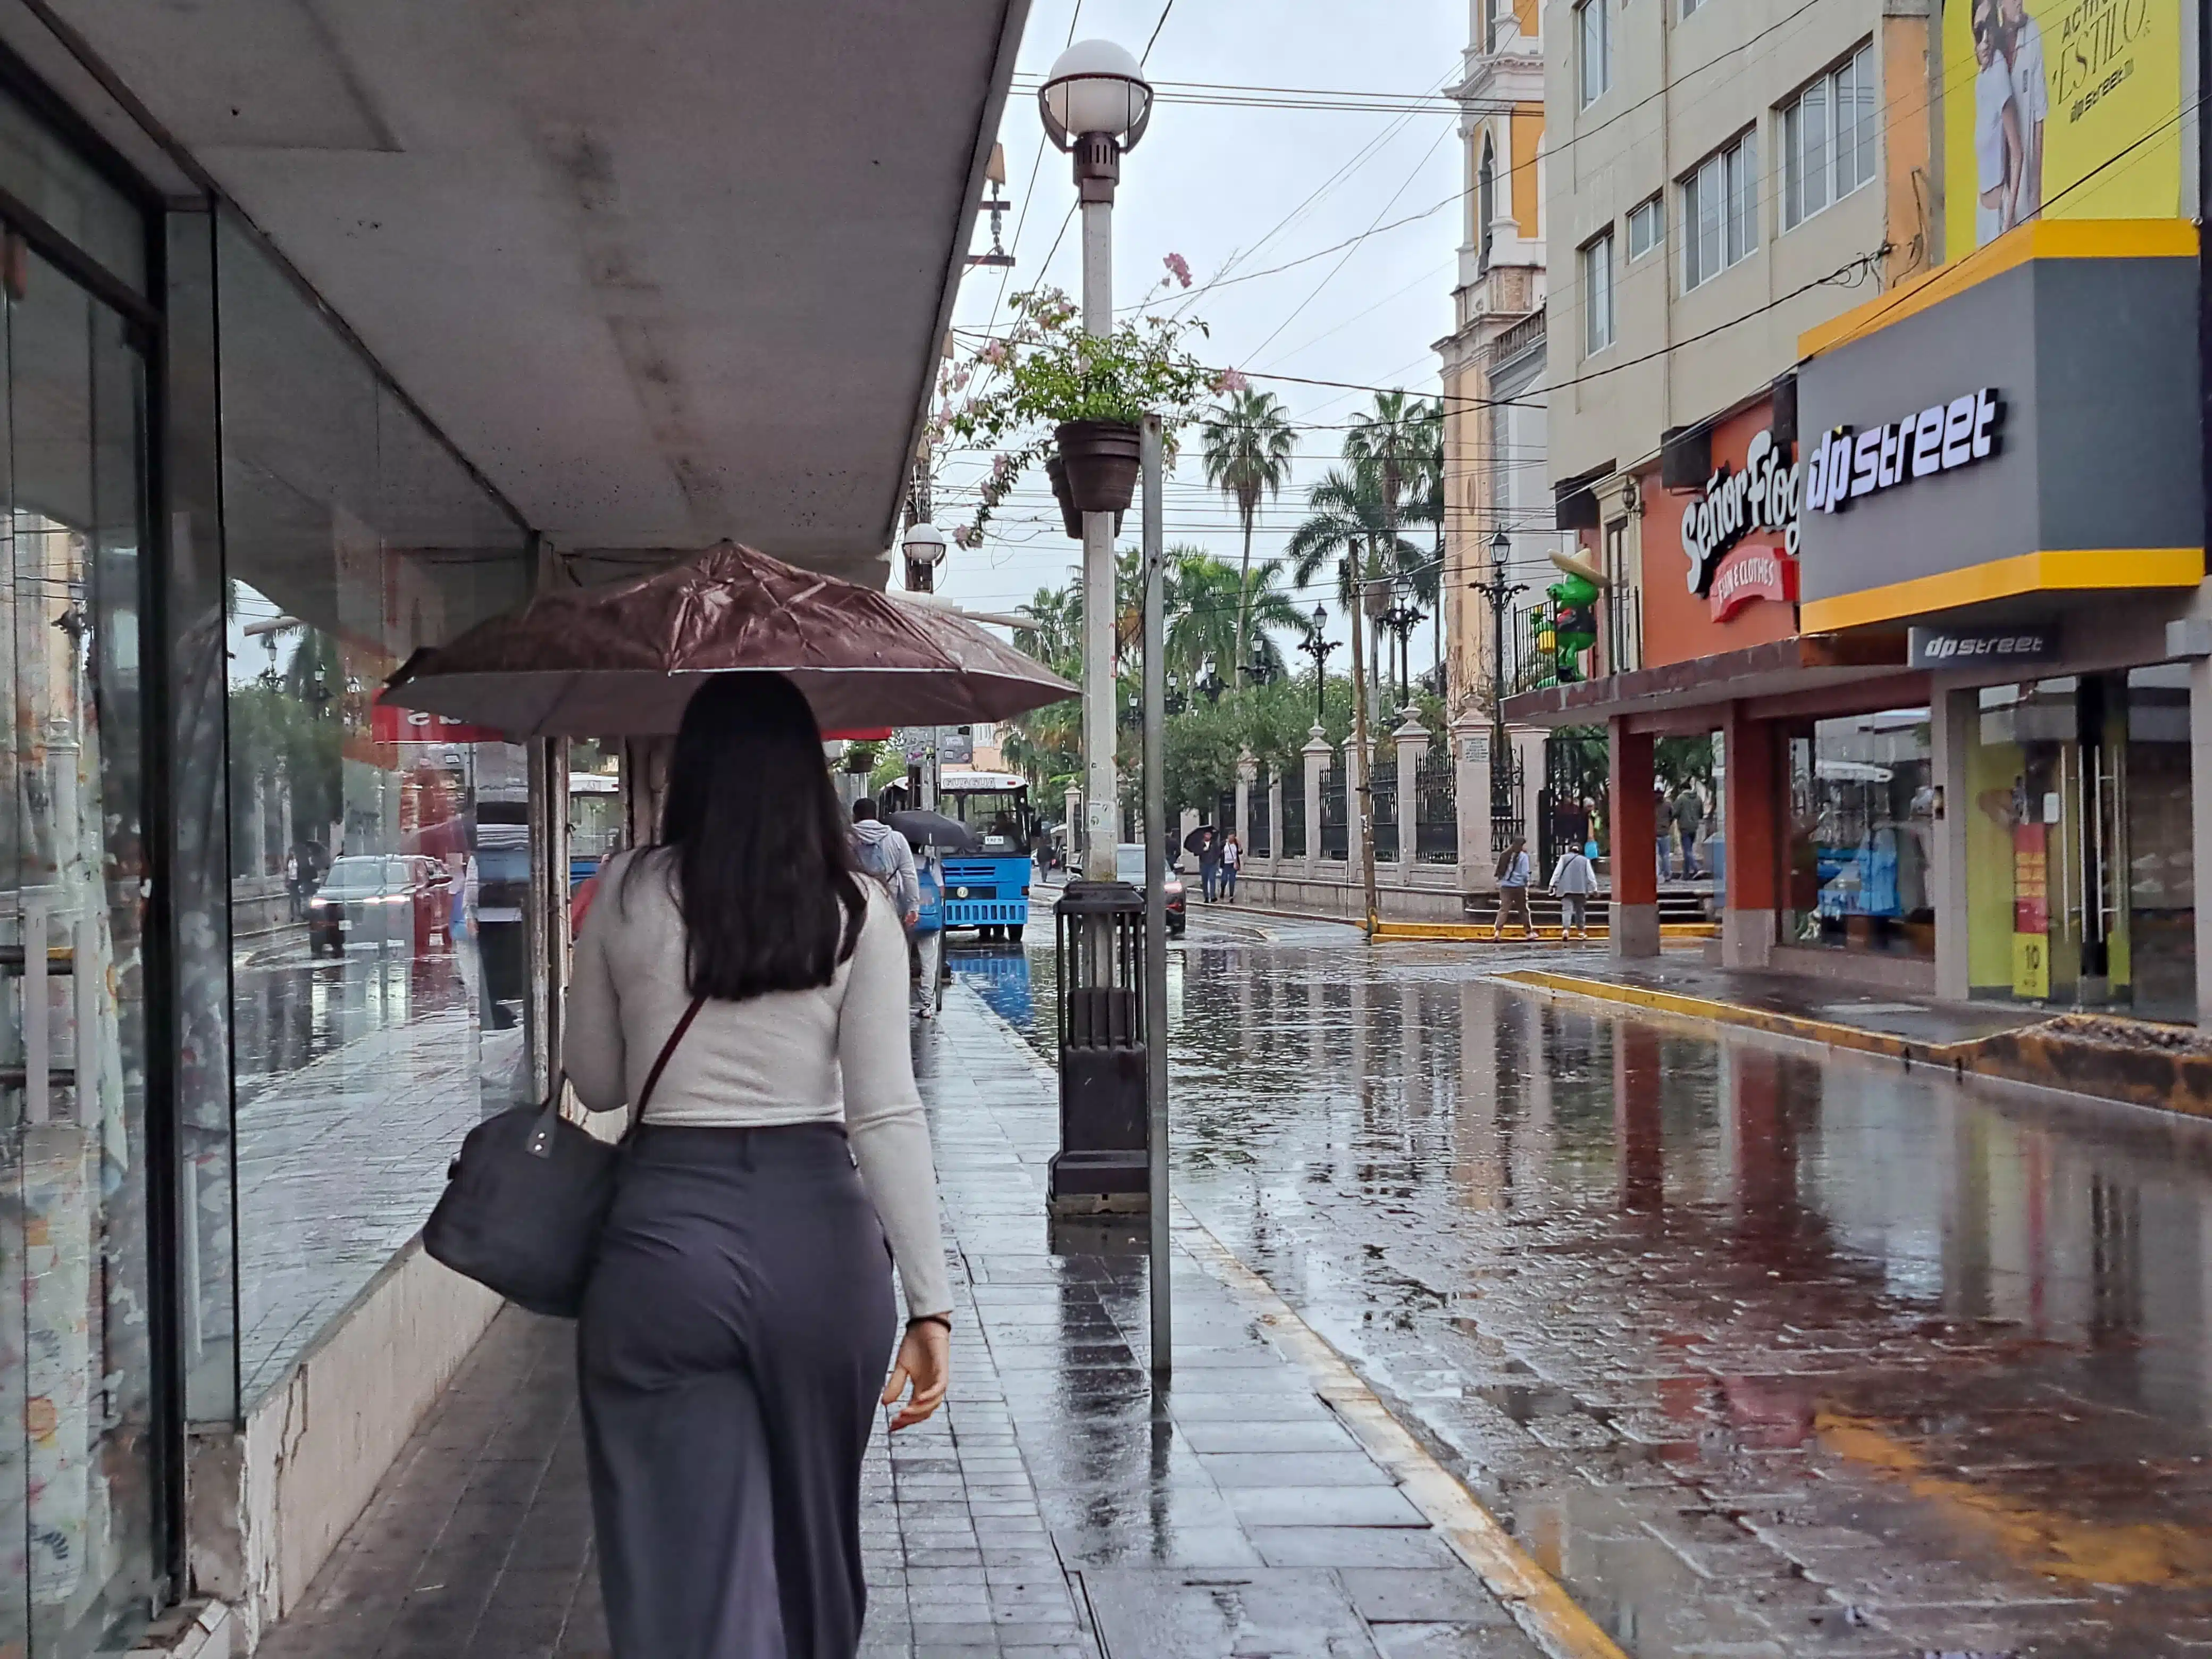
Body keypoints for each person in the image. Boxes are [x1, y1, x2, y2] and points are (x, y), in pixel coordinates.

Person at [564, 673, 951, 1659]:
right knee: (814, 1547)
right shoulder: (858, 909)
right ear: (807, 779)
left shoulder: (623, 891)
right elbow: (885, 1114)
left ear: (691, 773)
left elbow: (598, 1084)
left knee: (680, 1564)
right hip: (820, 1255)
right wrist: (931, 1304)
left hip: (663, 1251)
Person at [849, 796, 926, 1015]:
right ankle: (886, 999)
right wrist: (913, 908)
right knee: (889, 954)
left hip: (855, 905)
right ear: (877, 816)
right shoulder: (896, 839)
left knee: (856, 954)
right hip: (888, 906)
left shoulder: (846, 838)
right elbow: (909, 875)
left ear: (855, 816)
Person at [1973, 1, 2024, 247]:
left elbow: (2017, 152)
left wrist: (2008, 221)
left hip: (2000, 215)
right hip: (1982, 212)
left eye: (1989, 30)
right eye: (1978, 32)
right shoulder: (1980, 80)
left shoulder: (1998, 71)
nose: (1984, 41)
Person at [2000, 0, 2046, 224]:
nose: (2019, 2)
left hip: (2024, 189)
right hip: (1996, 190)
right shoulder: (1991, 44)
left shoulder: (2031, 32)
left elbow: (2039, 118)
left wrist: (2037, 199)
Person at [1549, 841, 1598, 940]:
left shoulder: (1564, 858)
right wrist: (1595, 889)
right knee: (1580, 911)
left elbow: (1557, 873)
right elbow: (1591, 876)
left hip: (1566, 889)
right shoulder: (1585, 860)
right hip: (1581, 890)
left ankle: (1566, 930)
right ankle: (1581, 931)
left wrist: (1552, 885)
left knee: (1567, 910)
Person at [1496, 836, 1533, 935]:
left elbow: (1500, 870)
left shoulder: (1504, 854)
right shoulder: (1523, 856)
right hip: (1519, 886)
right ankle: (1528, 932)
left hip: (1505, 886)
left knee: (1504, 909)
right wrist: (1527, 883)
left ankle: (1498, 932)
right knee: (1523, 910)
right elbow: (1525, 873)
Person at [1672, 786, 1705, 881]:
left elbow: (1675, 812)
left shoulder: (1681, 798)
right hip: (1694, 827)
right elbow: (1701, 814)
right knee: (1688, 849)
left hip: (1684, 827)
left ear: (1682, 789)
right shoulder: (1698, 798)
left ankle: (1697, 868)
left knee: (1687, 851)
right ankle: (1686, 875)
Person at [1654, 785, 1676, 882]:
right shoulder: (1668, 804)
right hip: (1665, 832)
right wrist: (1667, 824)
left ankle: (1657, 875)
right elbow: (1673, 815)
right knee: (1666, 855)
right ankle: (1667, 875)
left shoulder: (1651, 804)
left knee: (1655, 856)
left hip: (1654, 832)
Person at [1197, 828, 1221, 903]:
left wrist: (1216, 861)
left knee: (1212, 879)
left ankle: (1213, 896)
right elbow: (1196, 853)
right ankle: (1206, 897)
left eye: (1209, 835)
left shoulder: (1214, 844)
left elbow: (1218, 853)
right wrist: (1202, 850)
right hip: (1204, 864)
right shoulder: (1201, 844)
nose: (1208, 836)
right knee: (1204, 881)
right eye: (1207, 834)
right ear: (1204, 835)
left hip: (1212, 864)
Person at [1220, 832, 1241, 901]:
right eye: (1230, 837)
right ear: (1228, 837)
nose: (1231, 839)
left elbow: (1240, 852)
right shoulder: (1224, 844)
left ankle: (1231, 896)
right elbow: (1218, 849)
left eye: (1233, 837)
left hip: (1233, 864)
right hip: (1226, 864)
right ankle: (1222, 890)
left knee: (1232, 880)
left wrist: (1239, 844)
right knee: (1224, 879)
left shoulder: (1236, 844)